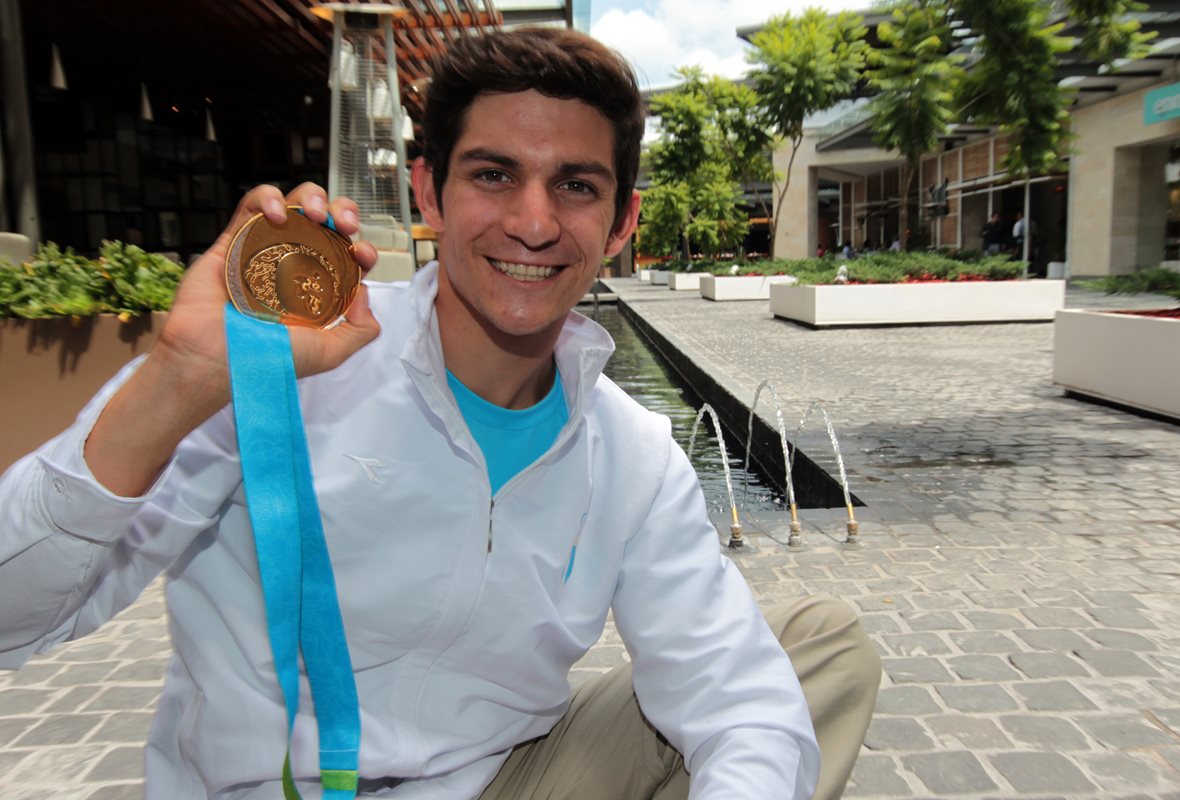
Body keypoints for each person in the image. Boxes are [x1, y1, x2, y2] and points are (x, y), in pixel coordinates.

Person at [0, 28, 880, 800]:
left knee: (814, 652)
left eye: (576, 185)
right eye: (494, 175)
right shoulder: (285, 371)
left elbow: (734, 699)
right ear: (429, 193)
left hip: (498, 782)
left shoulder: (632, 453)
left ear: (621, 222)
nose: (533, 223)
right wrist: (179, 383)